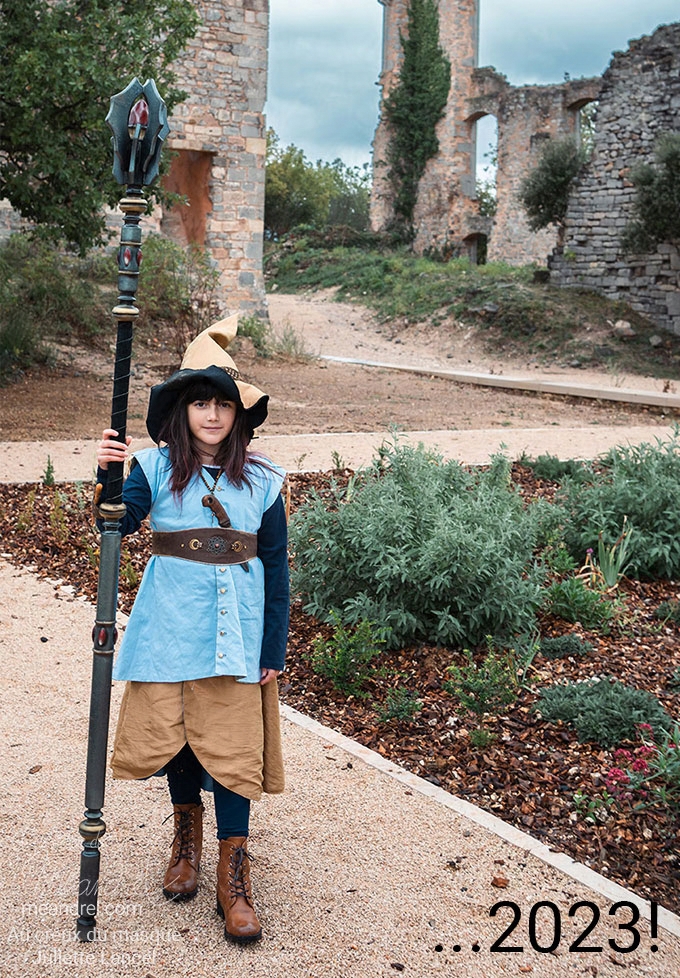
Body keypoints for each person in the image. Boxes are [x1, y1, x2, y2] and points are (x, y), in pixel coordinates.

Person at [95, 318, 289, 945]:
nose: (212, 415)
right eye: (200, 403)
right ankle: (186, 842)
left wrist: (272, 647)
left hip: (237, 631)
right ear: (182, 411)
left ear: (239, 416)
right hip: (170, 623)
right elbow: (115, 524)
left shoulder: (262, 480)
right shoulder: (152, 467)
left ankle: (235, 875)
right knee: (179, 739)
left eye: (223, 405)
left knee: (232, 748)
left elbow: (277, 564)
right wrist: (106, 476)